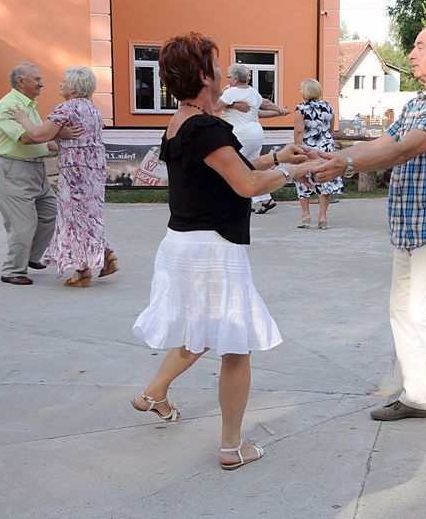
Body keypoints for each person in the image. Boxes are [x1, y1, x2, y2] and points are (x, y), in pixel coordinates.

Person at [130, 32, 316, 471]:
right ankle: (232, 447)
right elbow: (247, 185)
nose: (221, 74)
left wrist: (275, 158)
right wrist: (293, 170)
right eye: (216, 66)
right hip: (212, 248)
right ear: (202, 76)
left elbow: (228, 169)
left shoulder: (180, 124)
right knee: (236, 347)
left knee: (198, 333)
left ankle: (153, 394)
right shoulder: (209, 127)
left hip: (183, 244)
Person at [313, 26, 426, 426]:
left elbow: (406, 148)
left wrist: (348, 164)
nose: (410, 54)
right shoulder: (418, 102)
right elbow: (382, 142)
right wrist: (330, 156)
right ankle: (417, 396)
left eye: (418, 46)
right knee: (403, 311)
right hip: (410, 224)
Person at [9, 66, 117, 287]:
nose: (61, 85)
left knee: (73, 218)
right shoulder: (94, 110)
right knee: (90, 216)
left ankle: (82, 271)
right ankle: (107, 257)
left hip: (75, 172)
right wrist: (60, 134)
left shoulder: (66, 109)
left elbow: (39, 134)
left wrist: (22, 118)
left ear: (74, 88)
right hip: (94, 171)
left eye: (65, 82)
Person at [0, 63, 80, 286]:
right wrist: (60, 132)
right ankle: (12, 270)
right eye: (36, 79)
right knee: (23, 223)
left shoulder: (28, 106)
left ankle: (30, 256)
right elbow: (27, 138)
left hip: (36, 170)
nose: (42, 83)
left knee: (53, 212)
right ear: (21, 81)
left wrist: (65, 144)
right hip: (14, 170)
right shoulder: (9, 107)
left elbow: (43, 140)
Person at [212, 63, 289, 214]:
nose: (227, 80)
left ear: (234, 78)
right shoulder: (253, 92)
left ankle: (231, 202)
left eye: (229, 77)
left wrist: (232, 103)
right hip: (256, 134)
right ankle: (266, 199)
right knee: (253, 167)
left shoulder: (231, 91)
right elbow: (265, 104)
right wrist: (279, 110)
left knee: (233, 167)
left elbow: (215, 107)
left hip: (240, 135)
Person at [293, 79, 342, 229]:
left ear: (305, 91)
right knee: (324, 179)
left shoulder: (301, 108)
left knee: (301, 176)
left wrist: (297, 147)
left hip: (308, 146)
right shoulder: (328, 106)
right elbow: (332, 128)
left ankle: (306, 215)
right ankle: (322, 217)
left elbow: (299, 130)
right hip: (326, 146)